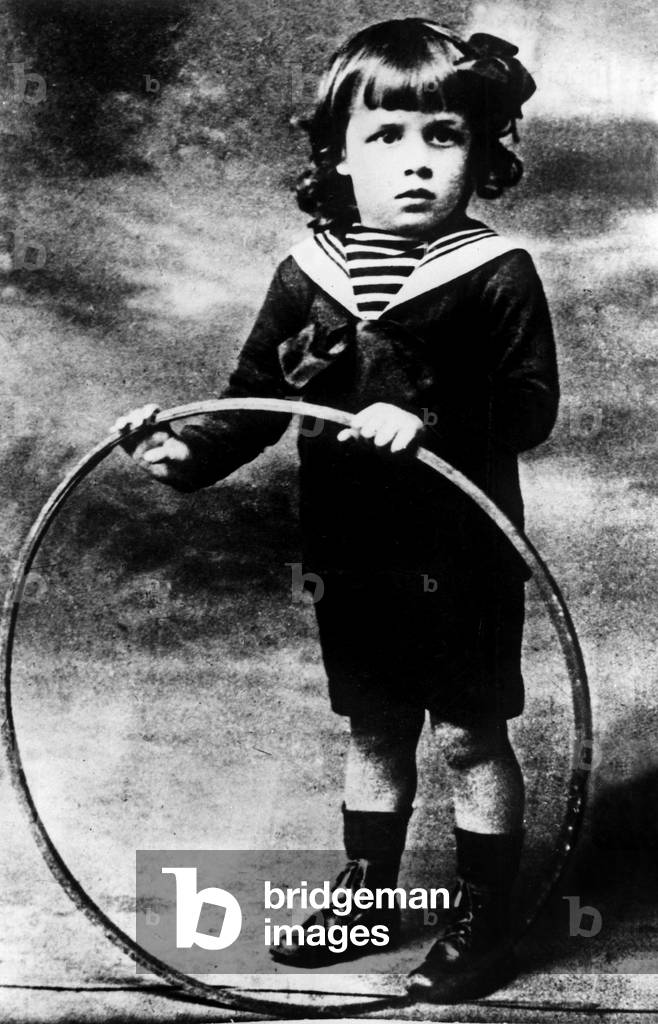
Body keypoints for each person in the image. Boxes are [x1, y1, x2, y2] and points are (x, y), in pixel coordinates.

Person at [115, 19, 559, 1001]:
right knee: (373, 728)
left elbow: (530, 409)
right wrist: (178, 455)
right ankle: (368, 892)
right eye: (384, 138)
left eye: (441, 137)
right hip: (352, 555)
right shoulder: (304, 275)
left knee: (468, 733)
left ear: (480, 153)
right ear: (337, 156)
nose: (413, 163)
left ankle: (483, 918)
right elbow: (251, 405)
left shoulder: (493, 274)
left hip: (463, 554)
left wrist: (429, 415)